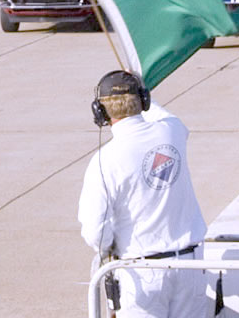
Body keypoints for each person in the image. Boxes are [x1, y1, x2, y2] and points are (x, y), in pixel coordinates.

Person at [78, 70, 207, 318]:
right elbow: (163, 115)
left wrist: (109, 250)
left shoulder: (104, 161)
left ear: (100, 112)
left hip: (141, 271)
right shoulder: (172, 131)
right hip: (191, 265)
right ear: (143, 101)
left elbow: (96, 232)